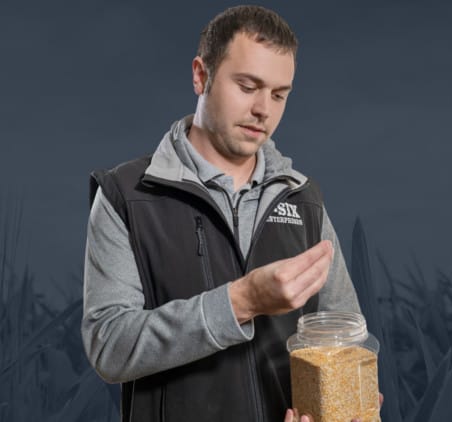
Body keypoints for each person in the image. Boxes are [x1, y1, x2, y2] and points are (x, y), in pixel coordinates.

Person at [81, 5, 370, 422]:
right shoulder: (125, 195)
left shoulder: (304, 199)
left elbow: (345, 338)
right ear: (201, 75)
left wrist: (347, 405)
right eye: (248, 86)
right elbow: (109, 347)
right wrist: (241, 301)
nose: (263, 110)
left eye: (278, 94)